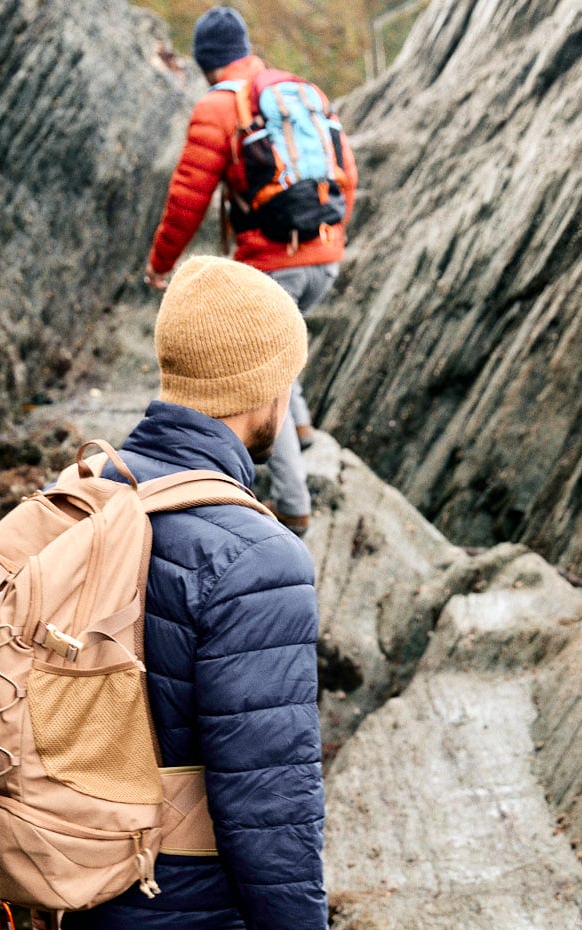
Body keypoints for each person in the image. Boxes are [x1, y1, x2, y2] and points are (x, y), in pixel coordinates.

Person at [33, 256, 388, 930]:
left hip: (87, 888)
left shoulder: (88, 499)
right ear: (266, 394)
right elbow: (271, 815)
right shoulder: (254, 554)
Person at [144, 5, 358, 537]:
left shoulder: (218, 110)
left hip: (271, 266)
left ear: (206, 62)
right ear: (247, 49)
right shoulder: (301, 93)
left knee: (263, 380)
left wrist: (160, 265)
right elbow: (347, 175)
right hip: (326, 257)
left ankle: (292, 505)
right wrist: (328, 239)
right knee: (283, 345)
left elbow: (187, 200)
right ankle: (304, 430)